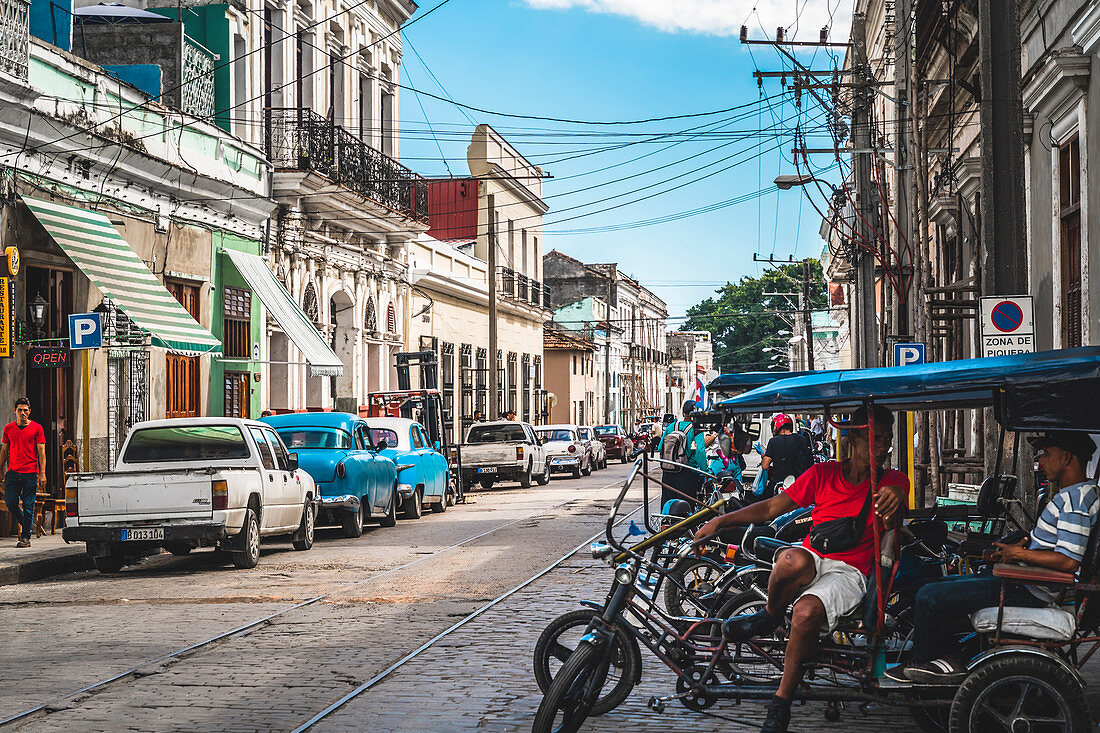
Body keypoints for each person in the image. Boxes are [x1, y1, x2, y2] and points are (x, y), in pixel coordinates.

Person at [694, 405, 908, 733]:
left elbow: (898, 494)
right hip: (813, 557)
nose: (881, 447)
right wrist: (721, 521)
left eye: (887, 440)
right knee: (788, 558)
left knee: (806, 613)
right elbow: (770, 507)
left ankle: (780, 704)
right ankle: (769, 613)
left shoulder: (892, 481)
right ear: (852, 438)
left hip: (849, 572)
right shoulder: (823, 474)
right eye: (874, 439)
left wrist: (894, 493)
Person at [888, 431, 1099, 684]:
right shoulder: (1081, 495)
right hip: (1027, 580)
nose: (1040, 461)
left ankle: (941, 660)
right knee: (923, 586)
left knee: (929, 596)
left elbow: (1068, 562)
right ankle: (945, 655)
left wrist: (1019, 554)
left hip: (1031, 589)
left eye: (1046, 454)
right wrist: (1021, 550)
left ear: (1066, 458)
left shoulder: (1074, 501)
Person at [1, 397, 47, 548]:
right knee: (10, 502)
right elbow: (4, 450)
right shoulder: (8, 428)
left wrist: (42, 473)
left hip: (30, 473)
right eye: (19, 410)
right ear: (14, 411)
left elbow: (41, 453)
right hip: (12, 472)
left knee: (28, 505)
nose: (22, 413)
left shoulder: (37, 428)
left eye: (25, 410)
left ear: (29, 412)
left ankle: (25, 537)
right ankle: (28, 525)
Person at [657, 400, 709, 507]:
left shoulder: (671, 426)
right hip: (687, 473)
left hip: (668, 472)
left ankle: (666, 522)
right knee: (686, 506)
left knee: (668, 504)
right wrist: (705, 472)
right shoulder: (696, 429)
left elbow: (660, 448)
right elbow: (699, 451)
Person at [760, 413, 813, 496]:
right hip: (798, 483)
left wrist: (763, 456)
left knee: (765, 504)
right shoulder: (801, 439)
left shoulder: (773, 441)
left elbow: (765, 466)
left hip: (778, 483)